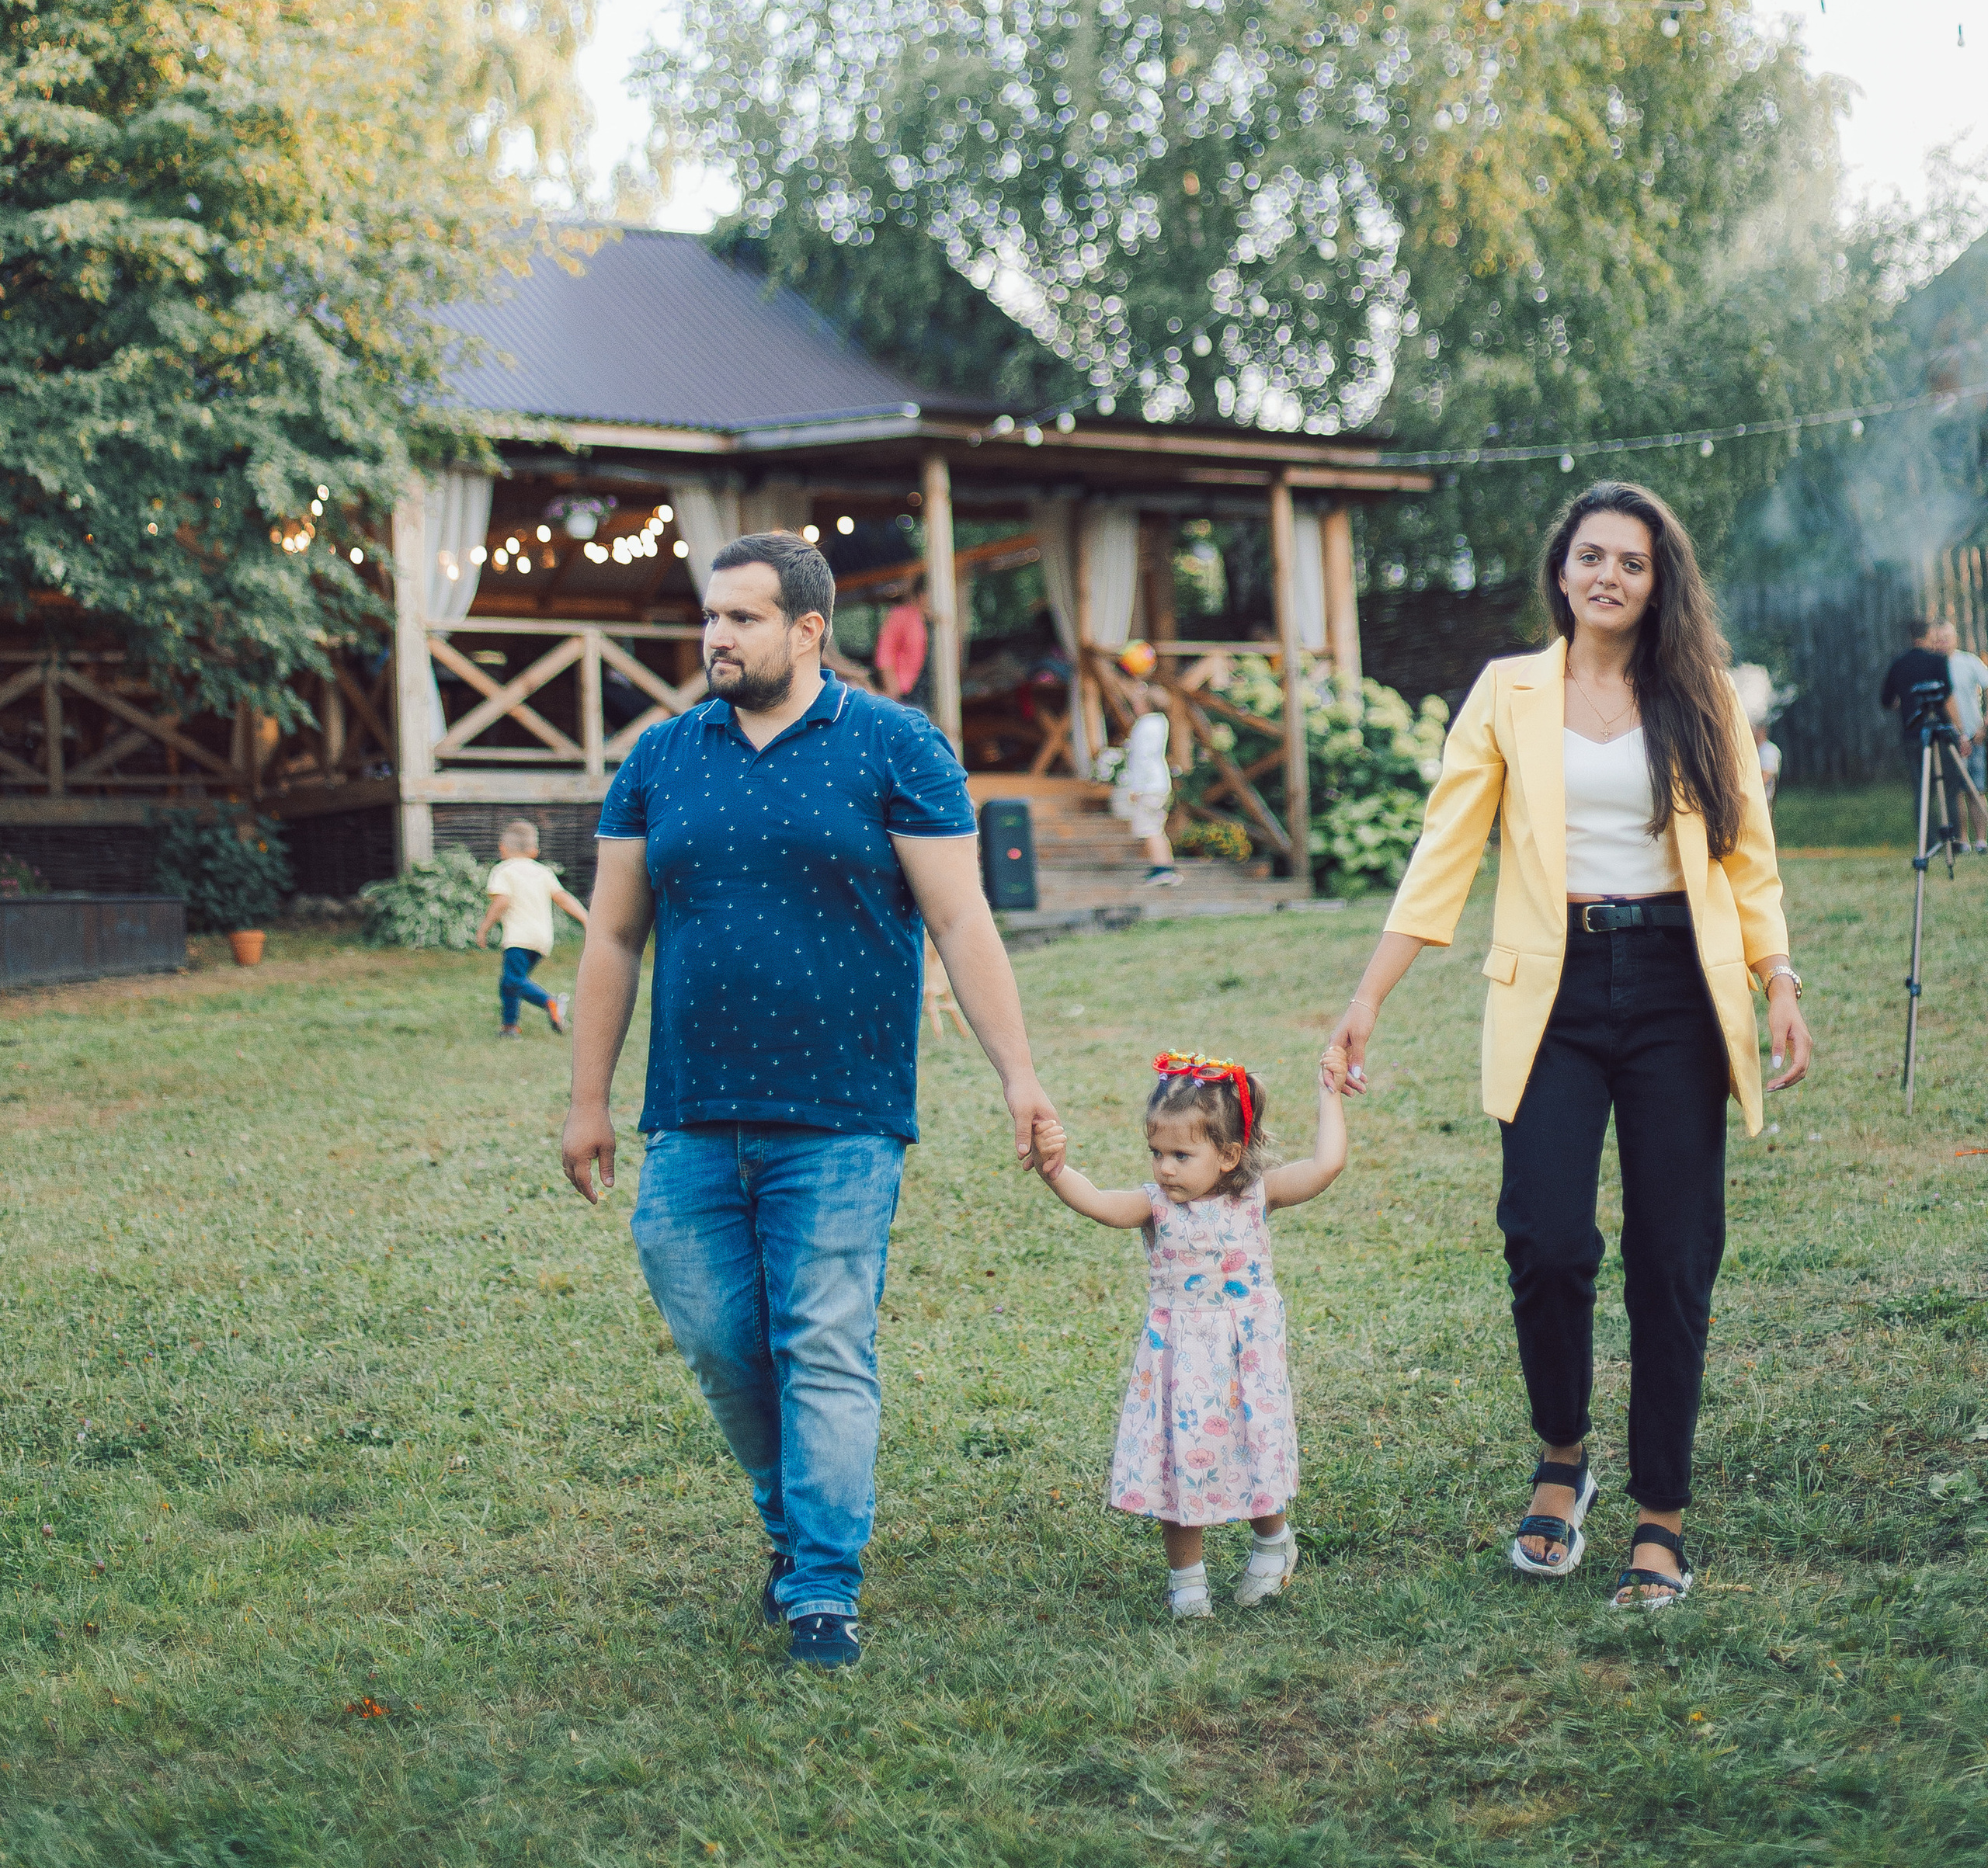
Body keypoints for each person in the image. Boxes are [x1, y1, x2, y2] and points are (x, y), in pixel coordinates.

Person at [560, 529, 1061, 1672]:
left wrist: (1018, 1075)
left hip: (842, 1115)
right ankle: (794, 1533)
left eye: (740, 618)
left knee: (822, 1344)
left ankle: (824, 1585)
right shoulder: (661, 757)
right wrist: (588, 1099)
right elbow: (615, 938)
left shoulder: (894, 746)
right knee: (725, 1341)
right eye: (709, 618)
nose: (715, 638)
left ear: (806, 631)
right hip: (689, 1116)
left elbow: (963, 921)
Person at [1324, 481, 1811, 1613]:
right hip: (1552, 992)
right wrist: (1367, 1000)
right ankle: (1562, 1458)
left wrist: (1776, 976)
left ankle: (1662, 1516)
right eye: (1591, 556)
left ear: (1658, 581)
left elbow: (1748, 858)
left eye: (1631, 563)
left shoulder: (1699, 695)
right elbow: (1445, 851)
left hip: (1682, 989)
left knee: (1672, 1256)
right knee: (1545, 1239)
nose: (1608, 577)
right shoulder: (1507, 692)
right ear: (1561, 571)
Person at [1034, 1050, 1345, 1617]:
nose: (1165, 1168)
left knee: (1256, 1450)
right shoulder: (1155, 1207)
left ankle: (1272, 1547)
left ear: (1228, 1155)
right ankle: (1187, 1581)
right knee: (1177, 1462)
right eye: (1156, 1153)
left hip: (1246, 1358)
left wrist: (1329, 1096)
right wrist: (1056, 1171)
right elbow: (1100, 1204)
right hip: (1179, 1361)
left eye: (1181, 1154)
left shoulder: (1256, 1196)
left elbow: (1325, 1166)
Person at [472, 818, 584, 1036]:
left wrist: (484, 928)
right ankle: (509, 1027)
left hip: (518, 938)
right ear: (534, 851)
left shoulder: (503, 870)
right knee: (511, 981)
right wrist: (586, 919)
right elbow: (562, 898)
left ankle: (550, 1002)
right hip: (542, 940)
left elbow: (502, 901)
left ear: (502, 848)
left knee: (513, 980)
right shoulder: (544, 872)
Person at [1879, 620, 1984, 849]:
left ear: (1910, 637)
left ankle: (1927, 843)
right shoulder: (1938, 661)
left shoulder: (1899, 664)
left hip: (1913, 735)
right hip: (1942, 735)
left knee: (1921, 790)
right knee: (1950, 787)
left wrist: (1905, 702)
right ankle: (1956, 840)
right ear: (1927, 636)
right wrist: (1959, 733)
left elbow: (1887, 701)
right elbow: (1948, 699)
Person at [1118, 654, 1182, 886]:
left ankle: (1161, 868)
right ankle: (1167, 865)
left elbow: (1142, 758)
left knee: (1150, 827)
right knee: (1157, 826)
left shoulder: (1144, 725)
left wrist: (1135, 787)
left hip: (1148, 785)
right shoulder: (1161, 722)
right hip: (1160, 782)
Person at [1931, 619, 1988, 835]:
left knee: (1977, 789)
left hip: (1974, 735)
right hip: (1948, 737)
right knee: (1955, 792)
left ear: (1955, 638)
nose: (1942, 643)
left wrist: (1984, 725)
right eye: (1938, 639)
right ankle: (1962, 839)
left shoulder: (1969, 662)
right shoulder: (1933, 666)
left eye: (1946, 638)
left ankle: (1981, 840)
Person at [1730, 665, 1782, 811]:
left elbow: (1762, 780)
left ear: (1762, 729)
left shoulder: (1769, 751)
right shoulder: (1750, 750)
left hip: (1760, 808)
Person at [874, 581, 930, 703]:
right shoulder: (900, 615)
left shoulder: (938, 624)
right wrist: (894, 693)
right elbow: (884, 656)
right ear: (922, 595)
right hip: (907, 691)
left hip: (933, 690)